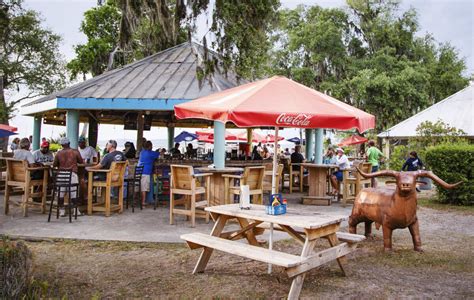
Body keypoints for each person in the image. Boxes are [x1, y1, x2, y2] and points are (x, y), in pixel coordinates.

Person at [53, 137, 84, 216]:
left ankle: (62, 211)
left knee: (61, 193)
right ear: (69, 143)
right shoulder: (75, 152)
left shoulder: (58, 153)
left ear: (61, 145)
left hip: (61, 175)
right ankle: (76, 211)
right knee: (74, 193)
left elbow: (55, 165)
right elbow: (81, 161)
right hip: (72, 174)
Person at [138, 140, 159, 206]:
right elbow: (158, 154)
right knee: (144, 188)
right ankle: (143, 202)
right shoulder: (150, 153)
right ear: (150, 146)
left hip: (139, 171)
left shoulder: (142, 152)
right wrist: (159, 151)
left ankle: (145, 200)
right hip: (145, 172)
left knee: (141, 186)